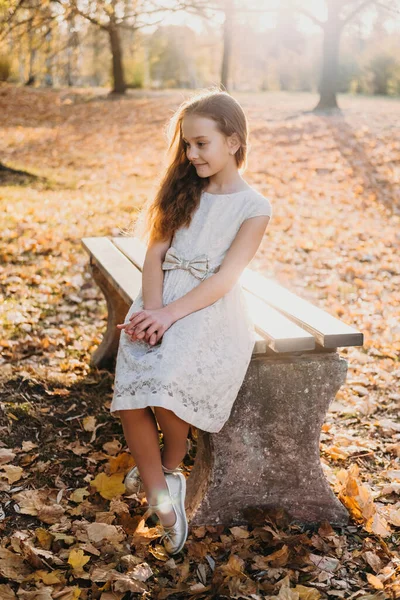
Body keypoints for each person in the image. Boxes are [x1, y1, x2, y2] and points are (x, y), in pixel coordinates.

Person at [110, 87, 273, 555]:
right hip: (158, 299)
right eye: (186, 144)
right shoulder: (182, 189)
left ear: (234, 142)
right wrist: (149, 312)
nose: (191, 153)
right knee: (131, 397)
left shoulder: (253, 207)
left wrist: (169, 316)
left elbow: (225, 279)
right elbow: (155, 254)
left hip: (208, 310)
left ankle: (171, 470)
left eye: (201, 143)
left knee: (163, 386)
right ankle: (163, 494)